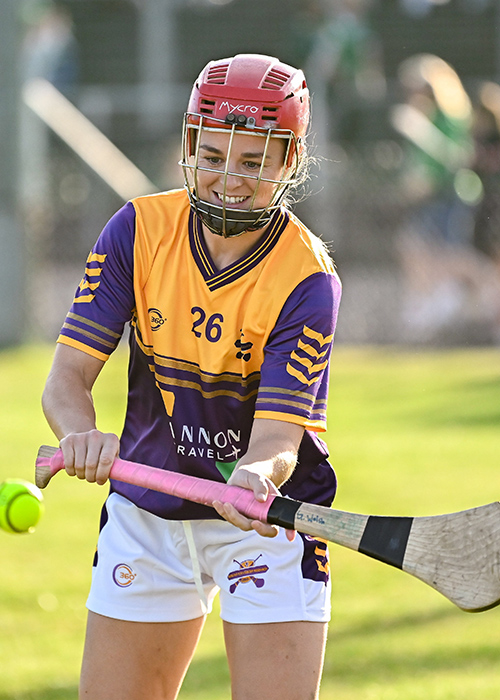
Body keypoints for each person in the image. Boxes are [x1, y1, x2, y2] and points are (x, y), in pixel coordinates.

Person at [42, 53, 342, 700]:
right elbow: (66, 379)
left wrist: (256, 480)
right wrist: (80, 433)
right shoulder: (138, 231)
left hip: (263, 521)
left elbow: (278, 440)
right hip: (147, 509)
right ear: (188, 146)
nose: (228, 178)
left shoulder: (307, 278)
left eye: (253, 161)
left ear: (289, 161)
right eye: (212, 155)